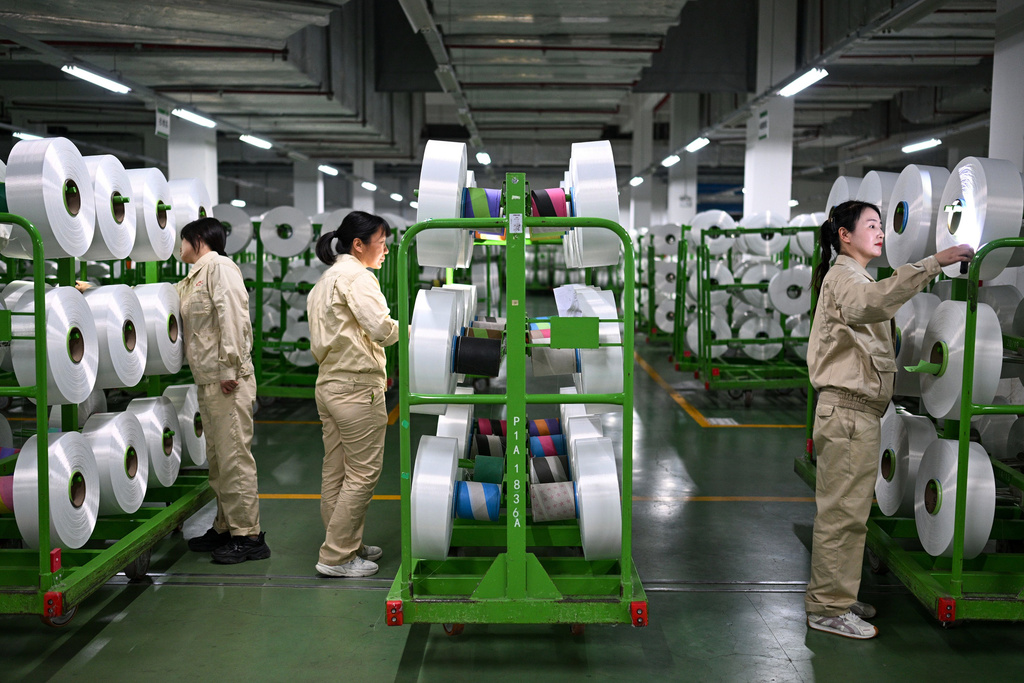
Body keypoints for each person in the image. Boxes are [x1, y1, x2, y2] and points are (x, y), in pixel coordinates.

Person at [804, 200, 974, 639]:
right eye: (872, 225)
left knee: (851, 513)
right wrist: (932, 264)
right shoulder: (846, 278)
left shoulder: (853, 276)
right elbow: (874, 305)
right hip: (846, 414)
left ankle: (836, 594)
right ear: (845, 235)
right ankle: (826, 608)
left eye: (882, 226)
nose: (881, 233)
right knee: (841, 514)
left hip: (854, 414)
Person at [307, 211, 398, 578]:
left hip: (329, 385)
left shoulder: (324, 281)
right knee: (362, 475)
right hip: (357, 389)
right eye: (381, 243)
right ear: (358, 244)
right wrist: (414, 329)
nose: (386, 251)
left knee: (337, 472)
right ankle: (337, 556)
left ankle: (347, 542)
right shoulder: (357, 277)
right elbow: (380, 328)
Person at [176, 217, 269, 564]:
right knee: (217, 461)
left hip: (228, 379)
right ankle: (226, 526)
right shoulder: (192, 278)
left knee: (234, 460)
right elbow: (160, 303)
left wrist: (231, 365)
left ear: (197, 239)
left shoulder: (220, 268)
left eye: (183, 239)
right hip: (208, 380)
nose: (179, 246)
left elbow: (234, 317)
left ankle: (249, 536)